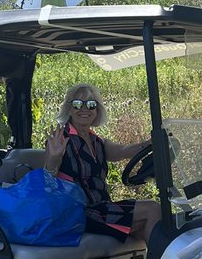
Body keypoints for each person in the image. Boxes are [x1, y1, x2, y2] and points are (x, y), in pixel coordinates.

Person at [43, 83, 161, 244]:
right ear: (69, 109)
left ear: (97, 110)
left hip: (101, 208)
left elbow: (122, 151)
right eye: (78, 104)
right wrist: (54, 158)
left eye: (91, 105)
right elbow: (47, 179)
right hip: (79, 213)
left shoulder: (97, 141)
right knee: (152, 209)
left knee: (150, 229)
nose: (84, 109)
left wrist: (149, 144)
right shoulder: (60, 140)